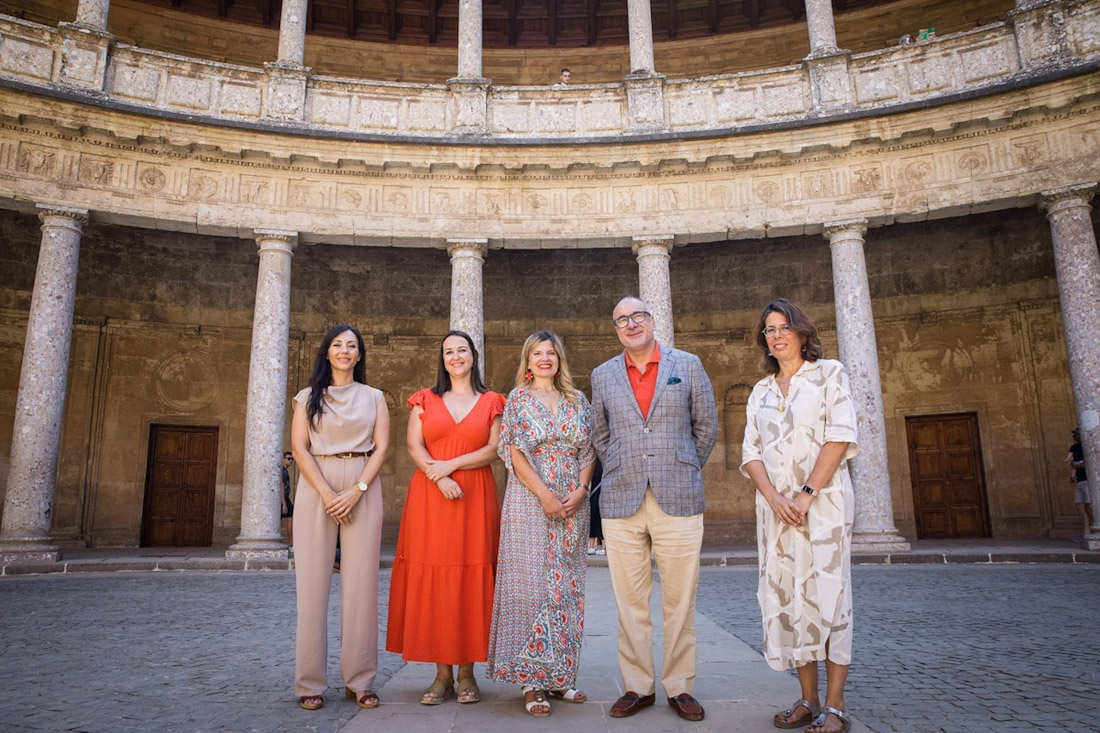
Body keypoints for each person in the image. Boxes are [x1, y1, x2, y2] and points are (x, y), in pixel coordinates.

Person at [590, 296, 718, 722]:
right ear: (615, 329)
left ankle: (680, 687)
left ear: (652, 319)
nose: (631, 325)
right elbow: (600, 435)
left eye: (637, 316)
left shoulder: (689, 364)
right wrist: (626, 466)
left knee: (681, 599)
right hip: (622, 498)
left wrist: (680, 464)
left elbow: (706, 426)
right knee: (630, 601)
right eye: (622, 320)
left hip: (678, 494)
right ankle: (638, 687)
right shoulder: (603, 374)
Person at [740, 298, 859, 733]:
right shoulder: (761, 391)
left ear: (802, 332)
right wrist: (774, 497)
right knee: (792, 599)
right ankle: (807, 699)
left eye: (784, 326)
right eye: (769, 330)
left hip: (823, 507)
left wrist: (807, 494)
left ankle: (836, 704)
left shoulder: (830, 373)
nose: (777, 335)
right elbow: (750, 452)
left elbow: (840, 436)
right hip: (777, 513)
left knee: (830, 598)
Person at [387, 331, 506, 705]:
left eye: (462, 350)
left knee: (470, 577)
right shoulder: (425, 398)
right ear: (443, 358)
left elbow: (494, 449)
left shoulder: (492, 400)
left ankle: (468, 673)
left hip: (475, 497)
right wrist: (440, 479)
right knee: (435, 575)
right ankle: (441, 676)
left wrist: (450, 466)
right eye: (449, 351)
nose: (456, 357)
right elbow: (414, 445)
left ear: (474, 356)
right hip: (430, 497)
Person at [486, 330, 595, 717]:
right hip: (529, 499)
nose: (545, 359)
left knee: (565, 586)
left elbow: (589, 450)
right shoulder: (518, 398)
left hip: (573, 502)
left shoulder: (577, 400)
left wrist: (581, 489)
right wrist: (545, 495)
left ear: (559, 359)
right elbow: (512, 451)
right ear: (527, 362)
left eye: (551, 353)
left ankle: (559, 675)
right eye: (537, 354)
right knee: (531, 584)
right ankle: (532, 681)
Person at [290, 324, 390, 711]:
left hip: (362, 483)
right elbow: (299, 448)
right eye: (338, 345)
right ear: (327, 352)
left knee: (362, 586)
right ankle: (309, 682)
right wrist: (330, 493)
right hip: (317, 484)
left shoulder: (374, 397)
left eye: (352, 346)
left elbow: (382, 447)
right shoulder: (306, 397)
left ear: (360, 355)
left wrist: (357, 490)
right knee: (311, 587)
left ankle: (360, 681)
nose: (345, 351)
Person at [1067, 428, 1091, 538]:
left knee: (1091, 505)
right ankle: (1087, 532)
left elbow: (1092, 462)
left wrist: (1076, 465)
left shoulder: (1091, 446)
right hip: (1080, 481)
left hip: (1089, 481)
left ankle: (1096, 529)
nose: (1075, 436)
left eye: (1077, 434)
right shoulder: (1076, 448)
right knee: (1079, 505)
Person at [587, 458, 605, 555]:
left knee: (597, 517)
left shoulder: (594, 461)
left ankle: (596, 546)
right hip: (598, 492)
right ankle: (599, 546)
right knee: (597, 517)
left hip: (596, 492)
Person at [280, 451, 294, 547]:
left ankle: (291, 544)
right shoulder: (283, 471)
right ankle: (291, 544)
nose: (291, 461)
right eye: (288, 458)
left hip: (285, 498)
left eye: (292, 459)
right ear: (283, 459)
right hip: (283, 498)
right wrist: (284, 503)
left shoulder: (284, 470)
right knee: (290, 519)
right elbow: (281, 486)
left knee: (290, 519)